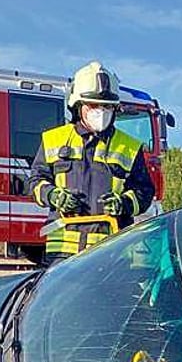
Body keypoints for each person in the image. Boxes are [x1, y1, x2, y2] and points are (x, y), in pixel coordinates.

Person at [28, 61, 155, 266]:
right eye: (94, 105)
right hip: (63, 251)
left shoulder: (129, 147)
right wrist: (53, 195)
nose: (101, 111)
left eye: (107, 106)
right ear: (78, 106)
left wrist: (124, 203)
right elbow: (35, 181)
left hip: (112, 249)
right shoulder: (54, 140)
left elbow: (145, 191)